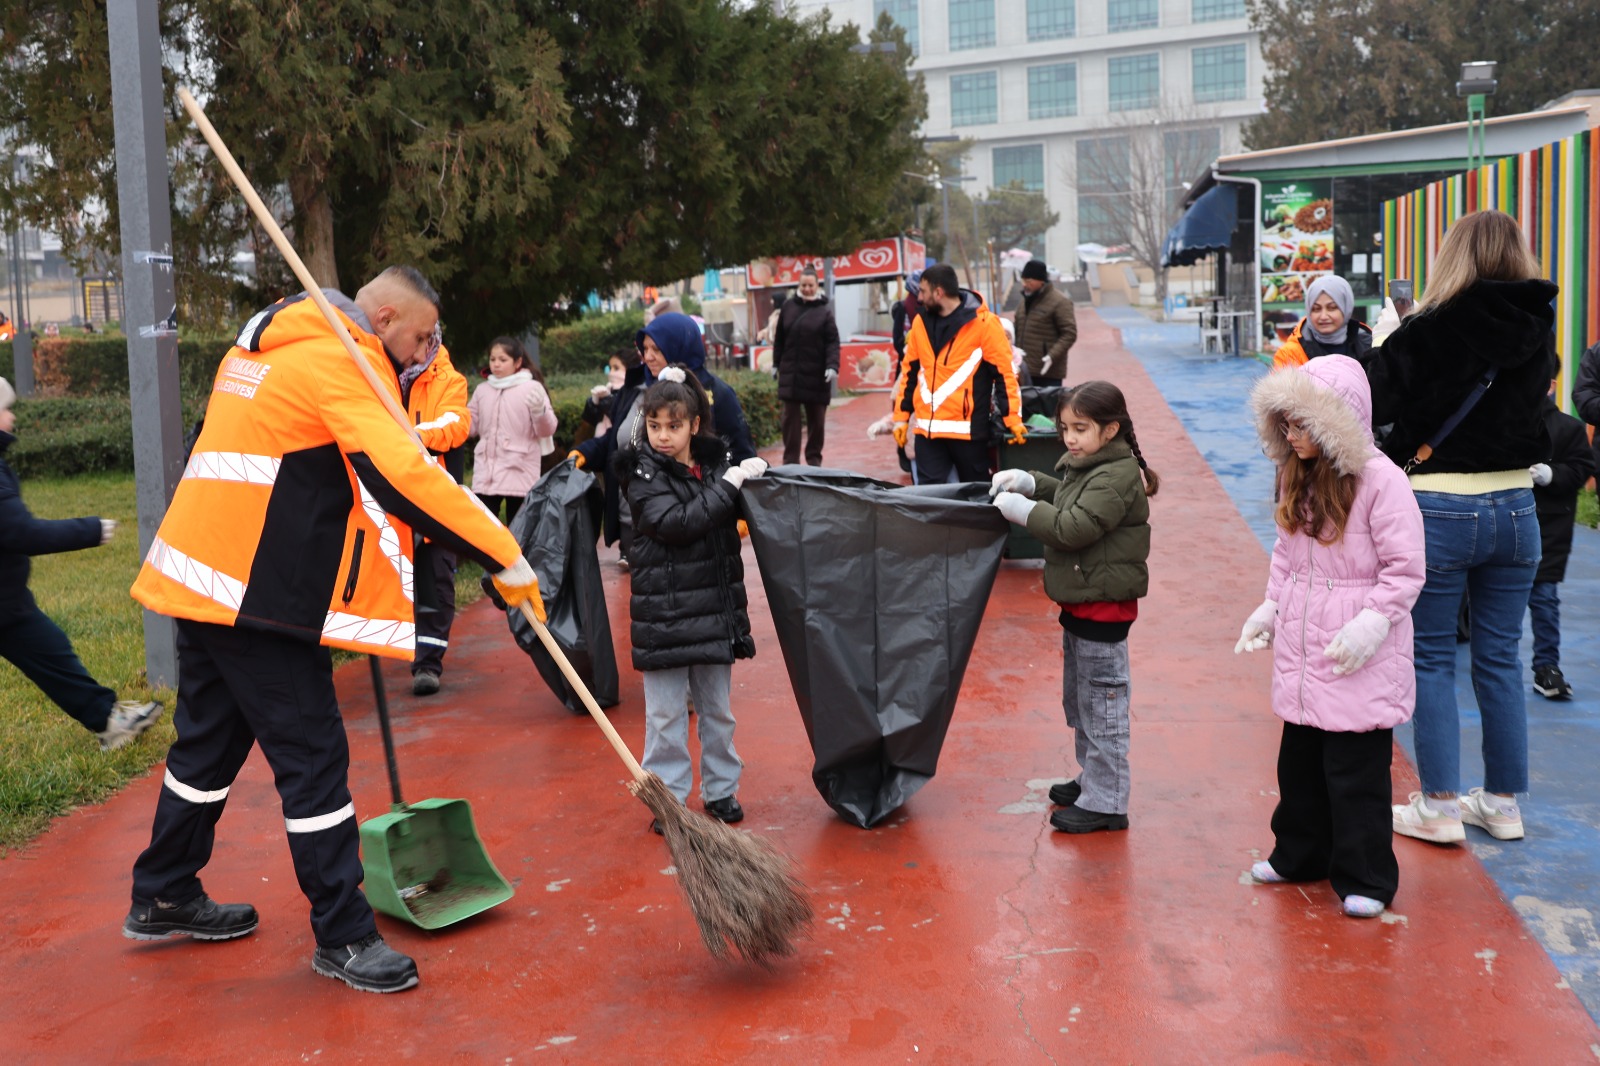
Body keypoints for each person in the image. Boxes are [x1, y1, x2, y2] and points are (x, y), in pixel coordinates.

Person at [124, 267, 544, 994]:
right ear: (381, 318)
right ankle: (344, 937)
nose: (422, 355)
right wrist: (504, 556)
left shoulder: (264, 349)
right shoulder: (336, 358)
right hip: (260, 599)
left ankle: (163, 889)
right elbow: (403, 474)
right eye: (419, 338)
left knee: (206, 750)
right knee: (314, 762)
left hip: (207, 579)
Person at [1365, 209, 1554, 845]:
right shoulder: (1539, 324)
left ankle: (1440, 806)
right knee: (1501, 657)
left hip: (1441, 507)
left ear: (1455, 254)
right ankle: (1501, 804)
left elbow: (1379, 401)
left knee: (1431, 658)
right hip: (1519, 506)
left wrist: (1390, 338)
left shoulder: (1430, 327)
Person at [1236, 355, 1425, 919]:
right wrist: (1271, 606)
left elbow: (1406, 567)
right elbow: (1287, 554)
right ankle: (1300, 854)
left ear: (1334, 422)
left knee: (1355, 774)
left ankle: (1365, 874)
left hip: (1355, 652)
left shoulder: (1382, 481)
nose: (1291, 435)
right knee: (1299, 768)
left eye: (1300, 424)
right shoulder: (1298, 475)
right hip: (1303, 652)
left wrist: (1374, 620)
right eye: (1285, 424)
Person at [988, 380, 1158, 834]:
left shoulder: (1115, 476)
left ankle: (1107, 802)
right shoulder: (1089, 464)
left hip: (1104, 610)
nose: (1069, 438)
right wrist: (1030, 482)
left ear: (1110, 430)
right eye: (1065, 427)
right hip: (1082, 605)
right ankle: (1093, 780)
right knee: (1082, 703)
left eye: (1080, 428)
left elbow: (1072, 527)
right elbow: (1065, 500)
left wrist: (1023, 510)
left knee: (1103, 706)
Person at [615, 366, 767, 831]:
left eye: (674, 426)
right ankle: (671, 801)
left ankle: (721, 791)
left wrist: (745, 483)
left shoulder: (715, 466)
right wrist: (732, 484)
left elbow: (732, 510)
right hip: (663, 616)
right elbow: (679, 523)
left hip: (713, 612)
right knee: (663, 718)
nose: (663, 436)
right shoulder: (640, 475)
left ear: (694, 425)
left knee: (717, 712)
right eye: (655, 425)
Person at [0, 376, 163, 750]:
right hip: (6, 601)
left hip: (8, 602)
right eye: (5, 410)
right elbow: (21, 532)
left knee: (51, 651)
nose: (11, 417)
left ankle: (109, 720)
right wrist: (90, 530)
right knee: (51, 651)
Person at [892, 263, 1026, 483]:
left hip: (968, 433)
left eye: (923, 291)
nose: (919, 298)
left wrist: (1013, 420)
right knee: (930, 501)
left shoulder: (984, 325)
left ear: (939, 292)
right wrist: (901, 418)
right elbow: (909, 372)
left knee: (975, 497)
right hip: (927, 432)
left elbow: (1004, 374)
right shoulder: (920, 323)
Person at [405, 337, 473, 697]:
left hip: (434, 500)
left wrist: (412, 436)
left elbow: (455, 423)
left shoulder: (449, 379)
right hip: (387, 500)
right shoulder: (379, 370)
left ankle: (428, 662)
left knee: (436, 580)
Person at [1528, 369, 1595, 699]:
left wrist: (1551, 474)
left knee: (1543, 599)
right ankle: (1490, 664)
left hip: (1551, 527)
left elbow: (1583, 466)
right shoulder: (1499, 422)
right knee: (1492, 602)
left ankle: (1547, 667)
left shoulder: (1568, 428)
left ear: (1551, 385)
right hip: (1503, 523)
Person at [467, 335, 558, 527]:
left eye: (503, 360)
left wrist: (539, 412)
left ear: (517, 362)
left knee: (519, 533)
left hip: (520, 470)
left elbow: (547, 430)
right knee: (484, 530)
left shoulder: (532, 388)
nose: (496, 364)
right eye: (493, 359)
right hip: (486, 474)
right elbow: (470, 427)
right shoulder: (482, 390)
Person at [772, 266, 839, 466]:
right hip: (791, 375)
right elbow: (779, 339)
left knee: (817, 422)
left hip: (817, 375)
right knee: (790, 421)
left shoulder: (824, 312)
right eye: (803, 285)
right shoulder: (788, 307)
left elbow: (833, 342)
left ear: (816, 285)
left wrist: (832, 366)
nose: (807, 288)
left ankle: (814, 461)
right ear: (798, 285)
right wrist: (776, 364)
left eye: (810, 285)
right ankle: (790, 462)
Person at [1273, 276, 1373, 370]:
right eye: (1316, 309)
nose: (1323, 316)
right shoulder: (1289, 354)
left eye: (1332, 308)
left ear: (1346, 308)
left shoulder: (1370, 344)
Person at [1012, 259, 1077, 389]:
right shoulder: (1024, 303)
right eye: (1023, 281)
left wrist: (1051, 356)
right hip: (1024, 370)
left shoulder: (1060, 302)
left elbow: (1069, 333)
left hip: (1048, 373)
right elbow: (1017, 329)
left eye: (1029, 281)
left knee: (1047, 409)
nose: (1025, 285)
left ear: (1041, 281)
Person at [574, 350, 639, 447]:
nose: (611, 373)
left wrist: (608, 403)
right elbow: (590, 421)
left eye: (616, 368)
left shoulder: (635, 393)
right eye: (610, 368)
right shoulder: (608, 390)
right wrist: (593, 404)